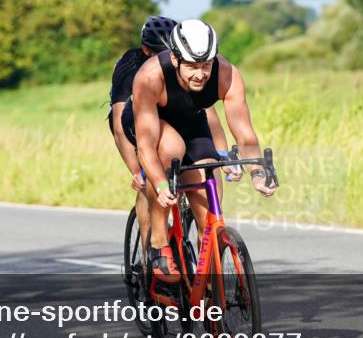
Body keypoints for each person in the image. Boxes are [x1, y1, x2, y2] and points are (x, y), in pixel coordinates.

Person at [124, 19, 275, 283]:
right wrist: (159, 184)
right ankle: (159, 242)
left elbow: (244, 133)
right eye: (192, 66)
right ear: (174, 58)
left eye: (206, 65)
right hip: (149, 123)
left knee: (207, 181)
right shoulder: (150, 77)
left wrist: (257, 173)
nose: (200, 74)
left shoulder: (227, 74)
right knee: (171, 149)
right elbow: (147, 145)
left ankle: (206, 288)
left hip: (191, 122)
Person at [109, 16, 232, 261]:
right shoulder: (133, 69)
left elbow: (208, 114)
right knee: (149, 181)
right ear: (147, 50)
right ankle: (151, 255)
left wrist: (222, 155)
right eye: (159, 53)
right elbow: (121, 126)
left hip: (179, 119)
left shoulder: (188, 68)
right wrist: (137, 169)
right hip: (138, 120)